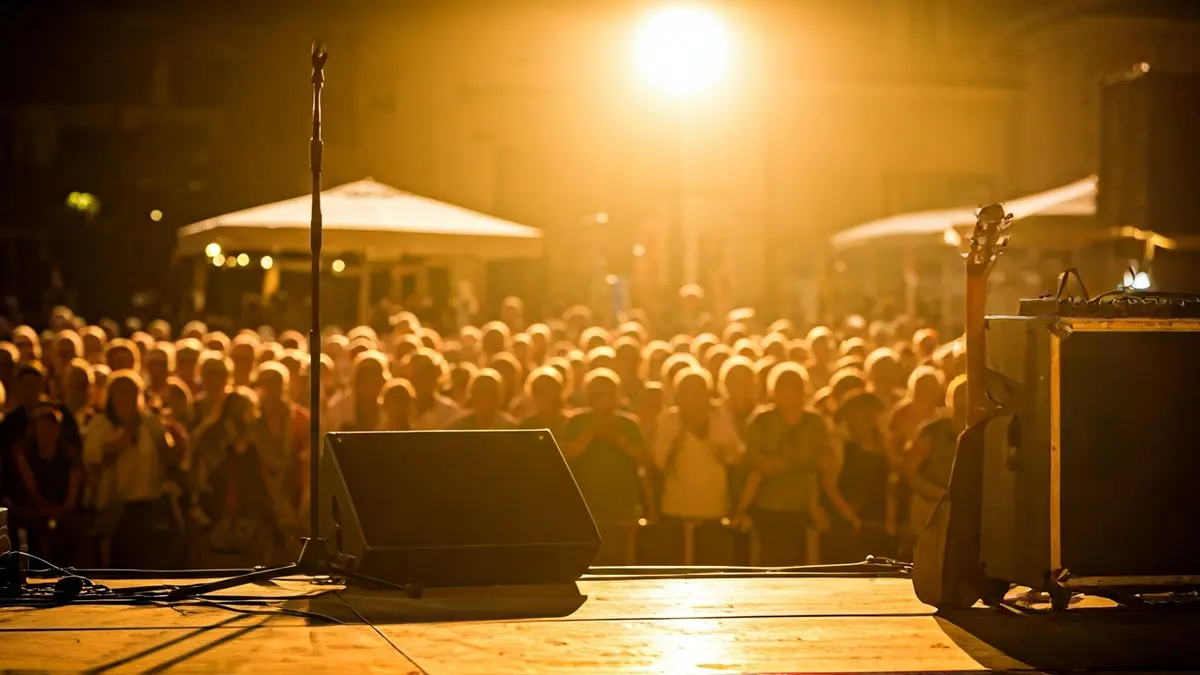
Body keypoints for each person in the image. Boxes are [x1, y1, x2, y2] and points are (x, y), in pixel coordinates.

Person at [83, 370, 186, 568]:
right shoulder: (100, 424)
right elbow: (94, 457)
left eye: (131, 393)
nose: (126, 399)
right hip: (115, 509)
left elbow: (171, 456)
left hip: (147, 507)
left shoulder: (151, 422)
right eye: (120, 393)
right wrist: (127, 431)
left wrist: (177, 436)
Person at [734, 363, 832, 566]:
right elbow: (754, 462)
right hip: (766, 508)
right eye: (784, 387)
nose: (790, 393)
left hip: (801, 508)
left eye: (795, 387)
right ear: (774, 391)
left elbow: (823, 463)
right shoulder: (761, 421)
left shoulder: (814, 423)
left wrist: (814, 504)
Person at [561, 369, 649, 564]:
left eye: (606, 394)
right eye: (596, 394)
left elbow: (643, 457)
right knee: (587, 561)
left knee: (621, 561)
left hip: (621, 504)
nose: (601, 400)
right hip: (586, 504)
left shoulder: (628, 423)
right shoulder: (578, 421)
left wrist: (619, 441)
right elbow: (566, 454)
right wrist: (590, 433)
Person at [653, 368, 743, 522]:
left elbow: (736, 456)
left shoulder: (719, 419)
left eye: (701, 392)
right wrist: (676, 446)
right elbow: (659, 462)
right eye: (691, 392)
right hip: (676, 509)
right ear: (679, 396)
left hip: (714, 509)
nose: (697, 398)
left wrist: (721, 451)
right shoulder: (669, 421)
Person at [449, 368, 517, 430]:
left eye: (491, 391)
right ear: (472, 394)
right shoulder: (458, 428)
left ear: (500, 396)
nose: (486, 397)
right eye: (480, 391)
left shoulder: (510, 429)